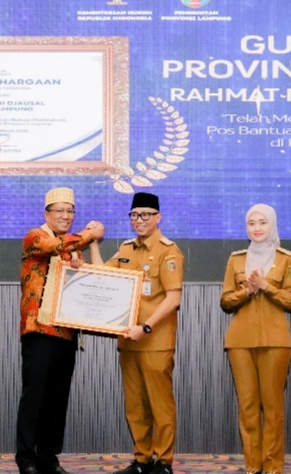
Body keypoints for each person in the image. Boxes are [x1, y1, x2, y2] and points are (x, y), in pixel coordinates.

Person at [15, 187, 104, 474]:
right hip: (39, 330)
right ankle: (26, 458)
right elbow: (53, 246)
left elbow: (90, 282)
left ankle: (48, 457)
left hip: (66, 333)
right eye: (60, 211)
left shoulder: (73, 248)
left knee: (57, 400)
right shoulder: (35, 236)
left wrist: (78, 264)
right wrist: (90, 234)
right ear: (46, 214)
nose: (66, 216)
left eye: (70, 211)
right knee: (35, 397)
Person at [101, 192, 185, 474]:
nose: (140, 220)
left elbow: (173, 298)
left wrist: (146, 327)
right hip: (128, 341)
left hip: (155, 340)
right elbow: (101, 273)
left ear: (158, 217)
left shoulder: (168, 251)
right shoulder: (126, 248)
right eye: (135, 215)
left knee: (160, 405)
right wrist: (91, 246)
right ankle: (142, 459)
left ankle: (164, 461)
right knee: (135, 406)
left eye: (146, 214)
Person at [219, 203, 291, 474]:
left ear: (272, 225)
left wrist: (266, 286)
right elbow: (226, 301)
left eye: (262, 222)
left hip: (275, 341)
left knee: (273, 408)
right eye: (251, 223)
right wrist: (247, 290)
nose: (256, 228)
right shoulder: (236, 259)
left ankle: (273, 467)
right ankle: (253, 467)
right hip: (240, 341)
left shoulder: (285, 258)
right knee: (248, 407)